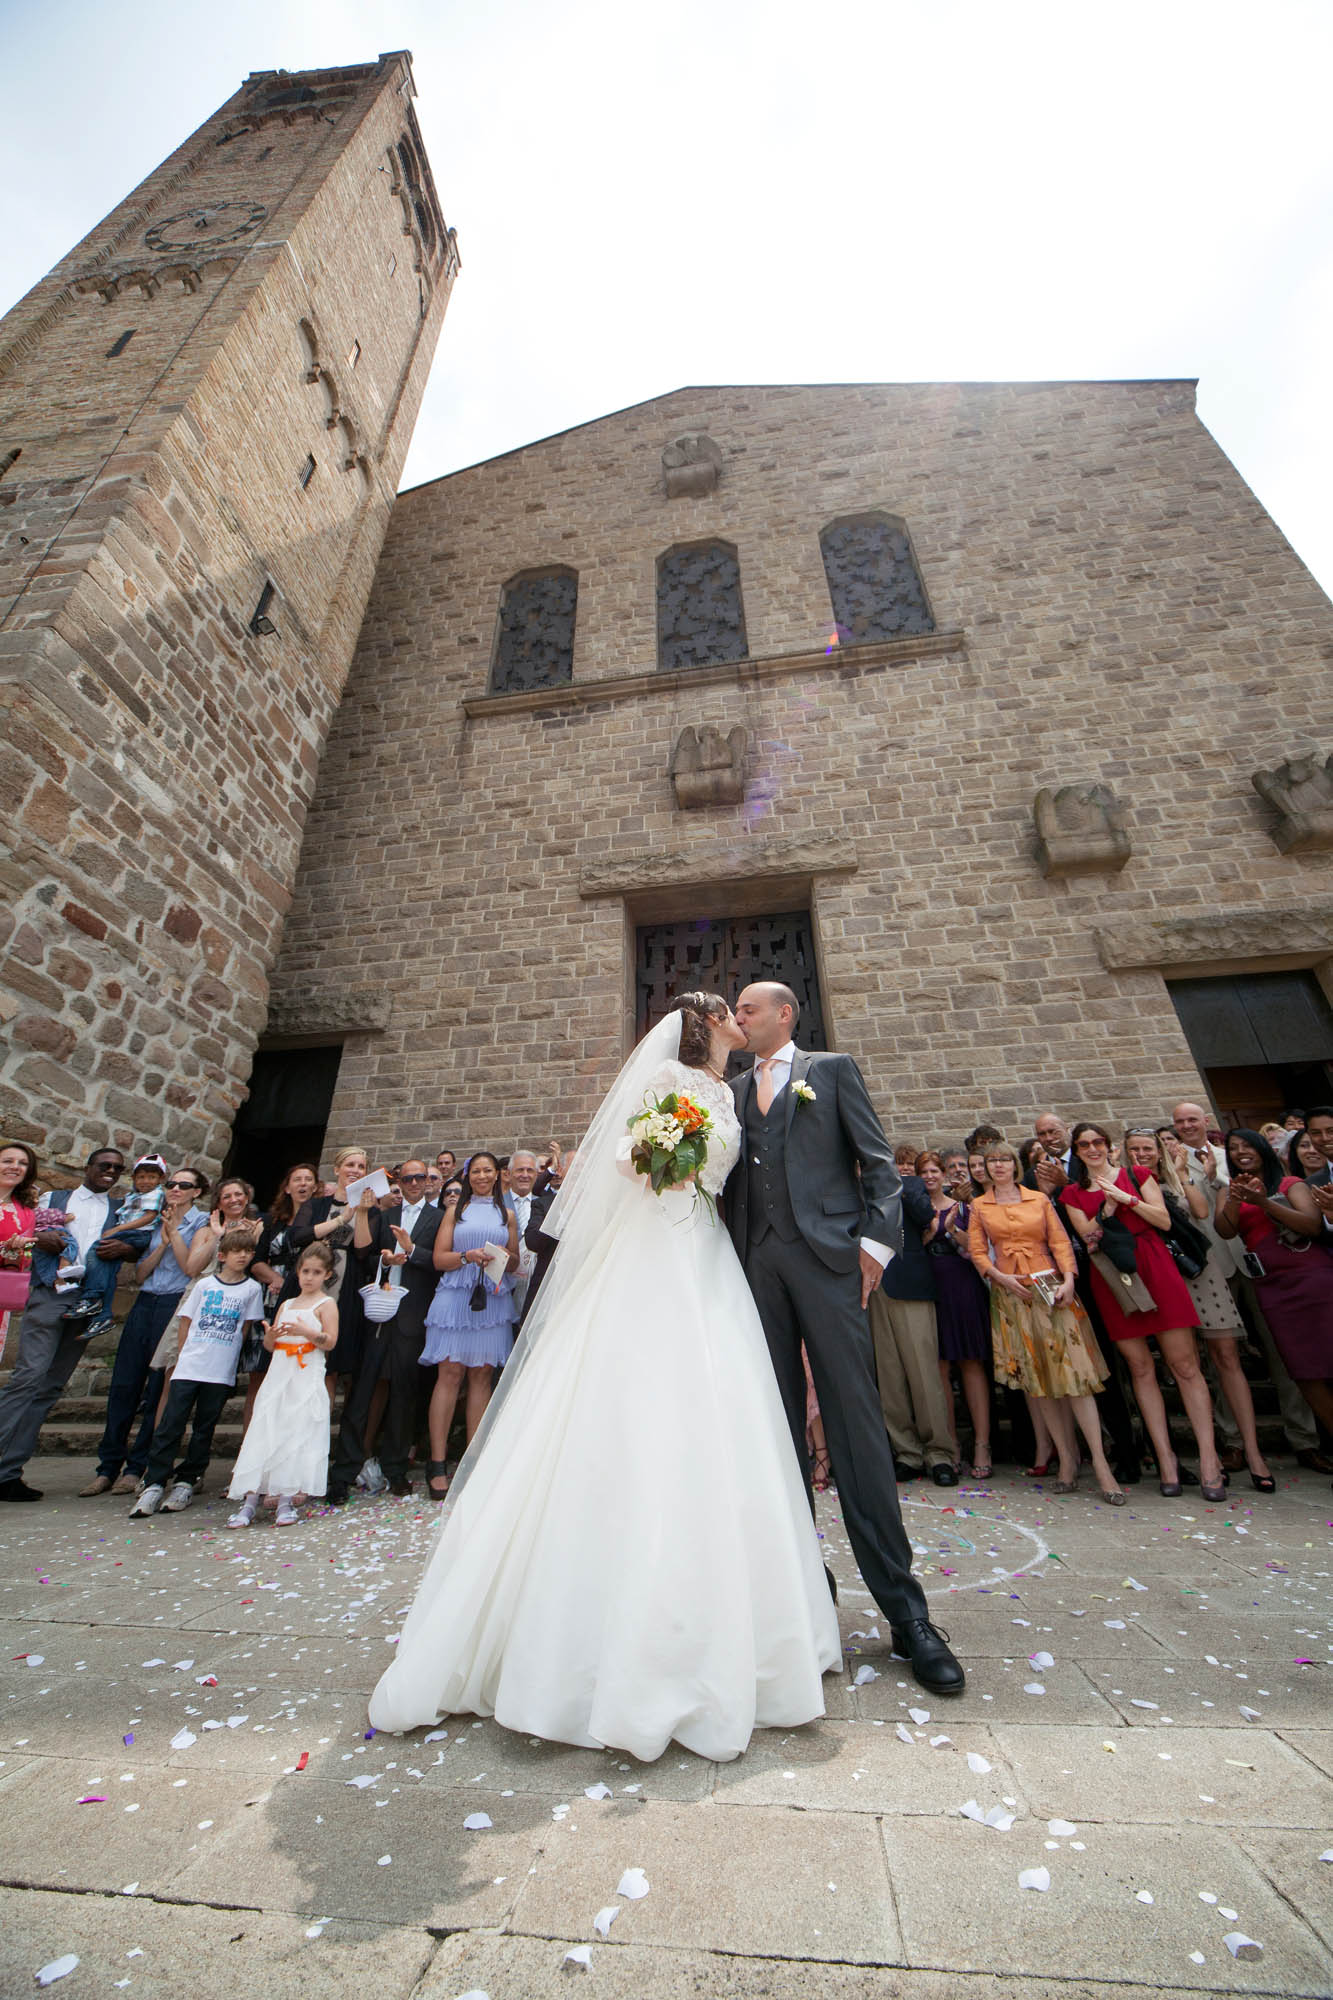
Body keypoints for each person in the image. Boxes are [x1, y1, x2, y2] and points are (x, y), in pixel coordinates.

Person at [368, 994, 844, 1760]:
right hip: (655, 1248)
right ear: (702, 1026)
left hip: (707, 1253)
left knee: (719, 1413)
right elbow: (624, 1160)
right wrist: (661, 1157)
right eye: (726, 1009)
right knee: (636, 1398)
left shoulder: (728, 1092)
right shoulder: (669, 1081)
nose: (736, 1014)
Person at [727, 980, 963, 1695]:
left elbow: (880, 1167)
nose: (739, 1019)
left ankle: (907, 1615)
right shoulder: (730, 1095)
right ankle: (807, 1597)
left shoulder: (828, 1071)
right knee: (775, 1436)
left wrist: (876, 1246)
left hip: (831, 1264)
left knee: (856, 1430)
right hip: (752, 1271)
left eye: (748, 1009)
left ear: (784, 1014)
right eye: (735, 1012)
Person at [1060, 1123, 1223, 1500]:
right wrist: (1107, 1208)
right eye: (1084, 1144)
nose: (1092, 1148)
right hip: (1114, 1277)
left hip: (1154, 1263)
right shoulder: (1071, 1193)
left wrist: (1126, 1198)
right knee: (1139, 1368)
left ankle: (1209, 1458)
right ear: (1078, 1152)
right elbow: (1088, 1239)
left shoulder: (1139, 1174)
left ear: (1109, 1146)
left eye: (1098, 1142)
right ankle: (1165, 1460)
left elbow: (1164, 1219)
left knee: (1184, 1366)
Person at [1174, 1100, 1325, 1471]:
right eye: (1180, 1122)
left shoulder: (1234, 1157)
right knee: (1223, 1357)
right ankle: (1235, 1440)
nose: (1187, 1125)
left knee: (1285, 1355)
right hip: (1213, 1267)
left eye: (1193, 1119)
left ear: (1206, 1121)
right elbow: (1213, 1219)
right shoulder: (1173, 1162)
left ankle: (1304, 1438)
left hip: (1271, 1269)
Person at [967, 1144, 1123, 1501]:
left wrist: (1068, 1278)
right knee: (1039, 1379)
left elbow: (1059, 1241)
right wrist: (997, 1277)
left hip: (1049, 1286)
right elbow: (977, 1251)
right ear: (987, 1169)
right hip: (1011, 1292)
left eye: (1005, 1160)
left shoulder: (1037, 1200)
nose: (999, 1166)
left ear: (1015, 1165)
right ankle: (1066, 1458)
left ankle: (1100, 1463)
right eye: (993, 1161)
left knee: (1075, 1377)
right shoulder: (980, 1206)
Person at [1124, 1127, 1273, 1492]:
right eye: (1134, 1150)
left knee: (1227, 1357)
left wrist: (1181, 1172)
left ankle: (1252, 1452)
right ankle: (1208, 1453)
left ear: (1159, 1151)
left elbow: (1202, 1210)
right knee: (1186, 1365)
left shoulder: (1178, 1178)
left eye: (1147, 1149)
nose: (1141, 1155)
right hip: (1159, 1280)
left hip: (1199, 1274)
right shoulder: (1123, 1184)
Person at [84, 1165, 210, 1495]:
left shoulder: (202, 1222)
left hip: (174, 1304)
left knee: (157, 1389)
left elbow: (189, 1268)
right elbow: (140, 1275)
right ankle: (107, 1466)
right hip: (146, 1299)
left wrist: (174, 1238)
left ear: (197, 1192)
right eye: (172, 1184)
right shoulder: (156, 1220)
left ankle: (137, 1466)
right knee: (125, 1383)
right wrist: (162, 1243)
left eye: (185, 1185)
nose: (176, 1189)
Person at [326, 1158, 440, 1503]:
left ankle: (395, 1470)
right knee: (361, 1394)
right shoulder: (385, 1214)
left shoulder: (438, 1219)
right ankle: (343, 1472)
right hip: (377, 1314)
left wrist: (411, 1252)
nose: (416, 1182)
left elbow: (438, 1261)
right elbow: (365, 1255)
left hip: (412, 1315)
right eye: (409, 1178)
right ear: (400, 1182)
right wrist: (385, 1261)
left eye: (421, 1177)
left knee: (404, 1396)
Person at [129, 1229, 265, 1517]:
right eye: (236, 1251)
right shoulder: (204, 1285)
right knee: (171, 1423)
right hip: (191, 1364)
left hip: (220, 1370)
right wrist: (182, 1356)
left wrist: (230, 1358)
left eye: (248, 1251)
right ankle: (155, 1480)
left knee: (205, 1427)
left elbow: (244, 1327)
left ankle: (187, 1479)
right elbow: (186, 1322)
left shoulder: (251, 1289)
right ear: (222, 1256)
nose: (242, 1256)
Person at [1213, 1129, 1333, 1455]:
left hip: (1312, 1278)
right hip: (1272, 1289)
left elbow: (1311, 1225)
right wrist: (1238, 1200)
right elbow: (1225, 1230)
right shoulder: (1229, 1191)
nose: (1240, 1152)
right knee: (1303, 1369)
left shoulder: (1289, 1183)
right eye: (1234, 1148)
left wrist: (1264, 1202)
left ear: (1263, 1148)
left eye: (1247, 1145)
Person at [418, 1152, 520, 1500]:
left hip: (491, 1297)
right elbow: (438, 1258)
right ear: (468, 1175)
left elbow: (516, 1261)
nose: (481, 1176)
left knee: (481, 1375)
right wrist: (468, 1256)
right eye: (475, 1171)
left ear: (497, 1175)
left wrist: (500, 1259)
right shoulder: (454, 1211)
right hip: (455, 1297)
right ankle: (437, 1462)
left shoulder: (507, 1213)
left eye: (487, 1171)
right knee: (450, 1373)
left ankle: (474, 1460)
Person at [228, 1242, 339, 1527]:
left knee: (296, 1431)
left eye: (316, 1272)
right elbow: (270, 1344)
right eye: (305, 1271)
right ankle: (250, 1499)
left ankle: (286, 1498)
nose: (309, 1277)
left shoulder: (326, 1304)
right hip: (280, 1372)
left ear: (326, 1274)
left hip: (305, 1372)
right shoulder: (287, 1303)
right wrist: (271, 1335)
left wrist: (308, 1332)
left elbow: (330, 1340)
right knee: (267, 1427)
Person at [868, 1150, 954, 1484]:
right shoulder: (852, 1187)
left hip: (910, 1285)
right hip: (873, 1289)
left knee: (923, 1373)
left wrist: (898, 1183)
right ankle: (906, 1452)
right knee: (889, 1377)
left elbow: (924, 1218)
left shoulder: (911, 1185)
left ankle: (939, 1453)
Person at [919, 1152, 993, 1479]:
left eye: (937, 1170)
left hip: (961, 1285)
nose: (931, 1176)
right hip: (930, 1286)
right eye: (925, 1171)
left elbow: (974, 1249)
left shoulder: (963, 1207)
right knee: (940, 1368)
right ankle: (950, 1445)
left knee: (970, 1363)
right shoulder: (916, 1209)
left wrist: (950, 1230)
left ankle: (982, 1444)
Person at [283, 1145, 374, 1404]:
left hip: (342, 1289)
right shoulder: (317, 1205)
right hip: (308, 1284)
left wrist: (362, 1213)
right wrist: (341, 1219)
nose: (355, 1170)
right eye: (350, 1165)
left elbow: (364, 1251)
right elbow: (298, 1236)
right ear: (337, 1169)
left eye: (361, 1167)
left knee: (329, 1368)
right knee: (294, 1358)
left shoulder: (370, 1209)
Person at [242, 1163, 319, 1431]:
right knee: (260, 1374)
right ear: (287, 1187)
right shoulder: (271, 1222)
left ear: (316, 1187)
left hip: (305, 1298)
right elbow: (256, 1261)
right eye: (297, 1179)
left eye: (309, 1179)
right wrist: (275, 1279)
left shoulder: (319, 1221)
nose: (303, 1184)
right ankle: (249, 1443)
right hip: (271, 1298)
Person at [504, 1151, 542, 1316]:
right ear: (509, 1174)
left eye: (530, 1170)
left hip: (534, 1290)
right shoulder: (496, 1203)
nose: (525, 1175)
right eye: (520, 1170)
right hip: (502, 1287)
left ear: (537, 1174)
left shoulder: (547, 1205)